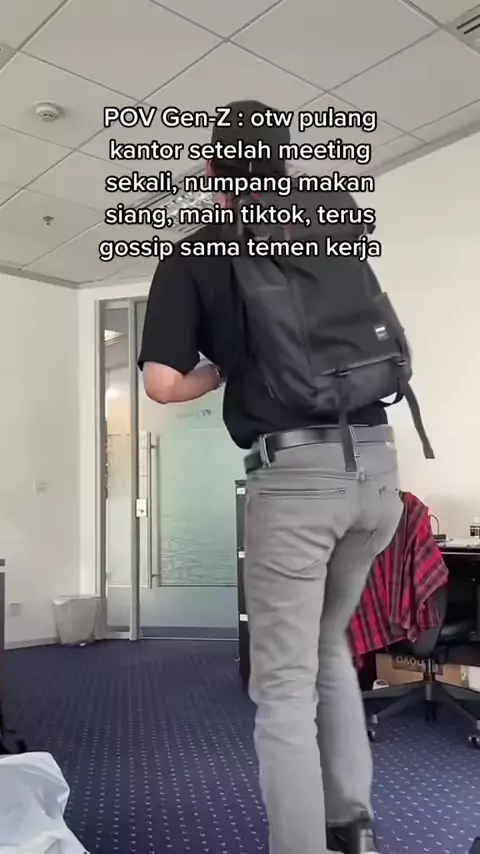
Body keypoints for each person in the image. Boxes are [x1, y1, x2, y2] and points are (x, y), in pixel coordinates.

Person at [139, 100, 403, 854]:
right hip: (379, 468)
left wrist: (219, 372)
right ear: (283, 164)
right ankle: (353, 827)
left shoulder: (196, 255)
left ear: (214, 170)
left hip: (297, 481)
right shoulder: (332, 228)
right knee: (329, 647)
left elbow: (162, 384)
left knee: (282, 684)